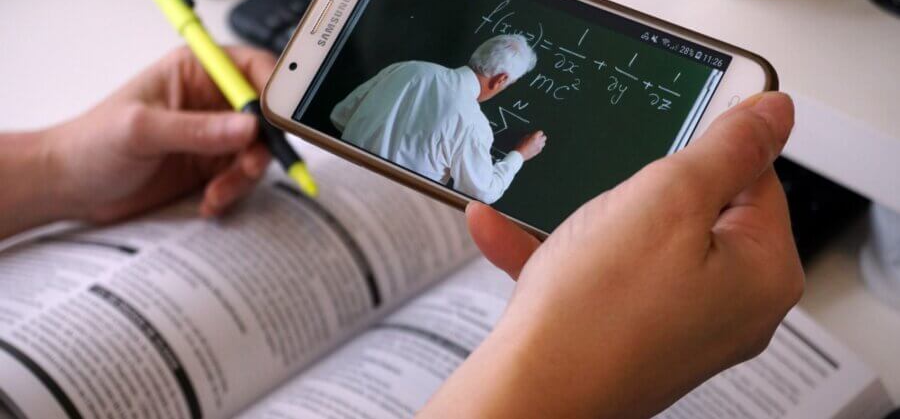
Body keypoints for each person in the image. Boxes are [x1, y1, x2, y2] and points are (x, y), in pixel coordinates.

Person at [0, 46, 803, 418]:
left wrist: (53, 165)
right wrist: (558, 388)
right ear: (497, 83)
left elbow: (344, 119)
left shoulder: (409, 70)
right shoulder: (466, 109)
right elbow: (482, 185)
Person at [330, 34, 547, 204]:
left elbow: (340, 115)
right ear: (501, 79)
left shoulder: (408, 68)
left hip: (337, 182)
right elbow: (482, 191)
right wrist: (519, 155)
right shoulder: (472, 123)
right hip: (387, 209)